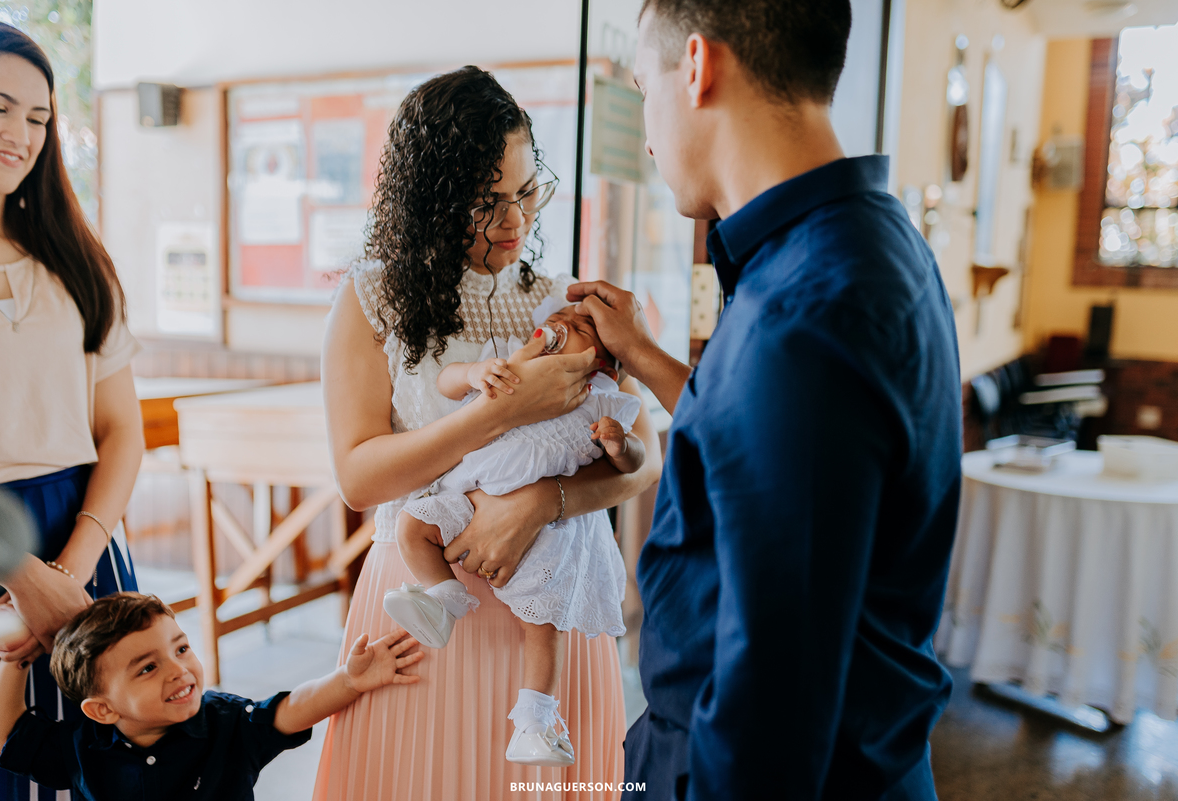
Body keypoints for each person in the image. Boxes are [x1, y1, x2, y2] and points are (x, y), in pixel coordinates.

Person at [568, 2, 963, 799]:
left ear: (696, 67)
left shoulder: (802, 318)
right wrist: (646, 357)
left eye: (644, 88)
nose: (647, 136)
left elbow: (770, 710)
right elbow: (769, 455)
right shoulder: (870, 240)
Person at [314, 66, 662, 800]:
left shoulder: (561, 300)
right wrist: (496, 411)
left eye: (527, 190)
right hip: (423, 594)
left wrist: (543, 501)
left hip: (555, 601)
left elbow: (643, 458)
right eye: (486, 201)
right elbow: (359, 476)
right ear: (429, 199)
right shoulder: (369, 295)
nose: (516, 221)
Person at [0, 20, 144, 801]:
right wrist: (21, 578)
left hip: (82, 536)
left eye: (39, 118)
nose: (20, 134)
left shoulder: (78, 260)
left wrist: (67, 575)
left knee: (100, 764)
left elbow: (121, 434)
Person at [386, 298, 645, 767]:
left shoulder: (603, 394)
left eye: (584, 325)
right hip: (467, 493)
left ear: (603, 360)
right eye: (560, 316)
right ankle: (444, 599)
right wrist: (473, 374)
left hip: (546, 528)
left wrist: (619, 444)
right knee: (411, 525)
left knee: (542, 625)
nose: (563, 320)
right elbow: (446, 383)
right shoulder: (508, 361)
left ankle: (534, 723)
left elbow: (638, 464)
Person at [0, 592, 424, 799]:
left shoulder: (223, 721)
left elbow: (288, 711)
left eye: (182, 648)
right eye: (148, 667)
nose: (179, 670)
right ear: (102, 709)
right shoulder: (82, 744)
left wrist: (348, 680)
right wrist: (16, 655)